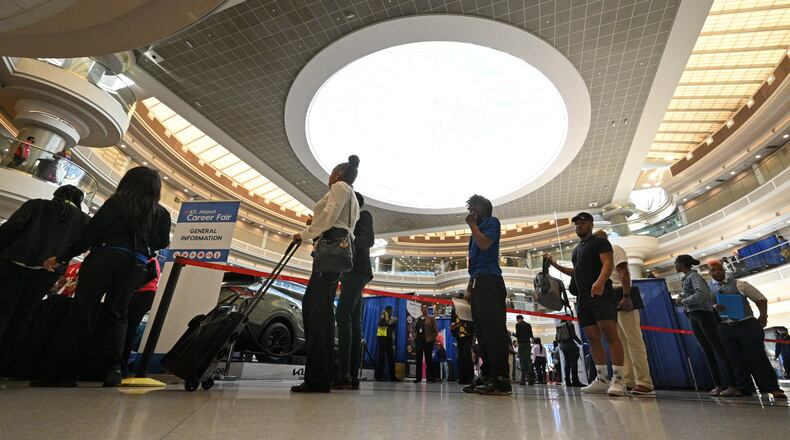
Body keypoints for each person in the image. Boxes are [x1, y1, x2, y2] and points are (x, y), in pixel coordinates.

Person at [36, 167, 171, 387]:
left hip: (104, 257)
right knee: (117, 315)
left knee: (83, 312)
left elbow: (91, 233)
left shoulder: (118, 202)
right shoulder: (161, 213)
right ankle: (112, 370)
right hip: (135, 264)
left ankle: (65, 372)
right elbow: (162, 243)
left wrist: (62, 257)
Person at [0, 185, 89, 372]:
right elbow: (82, 245)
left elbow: (10, 229)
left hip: (15, 263)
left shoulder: (37, 205)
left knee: (3, 310)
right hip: (46, 272)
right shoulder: (83, 221)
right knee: (24, 315)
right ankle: (5, 363)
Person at [291, 155, 361, 393]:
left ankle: (317, 378)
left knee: (317, 310)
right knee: (317, 307)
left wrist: (305, 233)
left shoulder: (340, 188)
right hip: (334, 253)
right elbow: (337, 219)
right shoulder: (350, 194)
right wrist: (316, 225)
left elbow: (331, 217)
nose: (329, 177)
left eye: (332, 172)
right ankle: (324, 373)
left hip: (329, 252)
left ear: (338, 174)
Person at [546, 212, 626, 396]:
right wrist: (555, 265)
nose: (578, 226)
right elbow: (576, 272)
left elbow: (607, 263)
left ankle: (619, 380)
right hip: (583, 299)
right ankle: (601, 379)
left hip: (601, 294)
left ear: (590, 224)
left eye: (582, 223)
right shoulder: (576, 250)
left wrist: (600, 281)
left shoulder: (600, 242)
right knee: (592, 337)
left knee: (610, 334)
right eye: (576, 224)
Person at [708, 260, 785, 399]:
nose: (717, 272)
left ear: (724, 270)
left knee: (757, 357)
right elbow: (706, 308)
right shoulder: (708, 289)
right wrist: (714, 308)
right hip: (725, 328)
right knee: (735, 360)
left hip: (746, 325)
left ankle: (772, 388)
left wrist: (763, 317)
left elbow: (761, 299)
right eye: (713, 270)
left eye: (719, 269)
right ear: (709, 273)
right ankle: (743, 388)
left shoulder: (740, 284)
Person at [594, 230, 654, 396]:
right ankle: (627, 380)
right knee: (619, 340)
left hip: (622, 294)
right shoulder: (599, 257)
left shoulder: (615, 249)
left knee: (634, 339)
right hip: (609, 298)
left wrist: (627, 296)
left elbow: (623, 272)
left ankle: (644, 381)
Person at [462, 194, 512, 396]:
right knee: (481, 332)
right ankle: (487, 375)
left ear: (485, 209)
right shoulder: (473, 234)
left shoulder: (492, 223)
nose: (471, 211)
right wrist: (469, 287)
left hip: (491, 281)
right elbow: (473, 263)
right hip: (478, 283)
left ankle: (501, 379)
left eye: (475, 207)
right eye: (470, 208)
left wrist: (473, 226)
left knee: (494, 330)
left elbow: (485, 245)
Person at [674, 254, 740, 397]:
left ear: (682, 263)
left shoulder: (694, 277)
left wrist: (684, 301)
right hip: (694, 315)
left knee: (718, 348)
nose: (675, 265)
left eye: (676, 263)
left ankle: (733, 385)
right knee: (707, 349)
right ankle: (718, 385)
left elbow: (702, 295)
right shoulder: (687, 278)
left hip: (704, 314)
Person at [334, 192, 374, 390]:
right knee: (355, 323)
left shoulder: (362, 216)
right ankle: (351, 376)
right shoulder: (346, 220)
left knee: (342, 314)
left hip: (357, 270)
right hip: (352, 272)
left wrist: (346, 241)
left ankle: (344, 374)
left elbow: (368, 240)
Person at [121, 257, 161, 377]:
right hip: (145, 294)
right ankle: (120, 365)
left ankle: (120, 365)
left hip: (139, 293)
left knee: (126, 329)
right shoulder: (152, 259)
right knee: (129, 329)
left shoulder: (145, 257)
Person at [414, 303, 438, 383]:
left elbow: (435, 331)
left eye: (425, 308)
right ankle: (418, 378)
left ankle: (431, 378)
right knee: (418, 360)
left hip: (428, 341)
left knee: (428, 359)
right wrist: (415, 338)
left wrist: (432, 340)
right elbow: (415, 330)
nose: (424, 309)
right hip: (419, 341)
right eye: (423, 308)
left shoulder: (431, 318)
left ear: (427, 309)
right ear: (420, 309)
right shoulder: (418, 319)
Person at [556, 321, 584, 387]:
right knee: (574, 364)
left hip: (563, 346)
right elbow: (573, 335)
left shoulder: (558, 326)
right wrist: (580, 342)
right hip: (571, 346)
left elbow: (557, 338)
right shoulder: (569, 324)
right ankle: (575, 381)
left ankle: (567, 381)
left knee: (567, 363)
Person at [450, 308, 473, 384]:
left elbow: (473, 320)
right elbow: (452, 322)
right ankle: (461, 377)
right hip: (459, 334)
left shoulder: (469, 307)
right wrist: (453, 327)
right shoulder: (455, 310)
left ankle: (470, 378)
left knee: (466, 353)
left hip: (468, 334)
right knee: (460, 356)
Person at [375, 305, 397, 382]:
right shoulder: (384, 314)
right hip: (382, 337)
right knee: (381, 357)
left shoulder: (390, 318)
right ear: (388, 310)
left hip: (388, 339)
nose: (392, 313)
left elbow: (392, 329)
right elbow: (380, 323)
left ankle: (393, 377)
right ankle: (379, 376)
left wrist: (393, 323)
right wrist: (389, 323)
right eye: (391, 311)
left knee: (391, 358)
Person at [514, 314, 533, 385]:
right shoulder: (528, 325)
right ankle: (531, 380)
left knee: (522, 361)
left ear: (518, 319)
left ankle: (523, 380)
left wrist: (513, 334)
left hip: (521, 344)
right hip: (528, 344)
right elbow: (531, 335)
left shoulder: (518, 325)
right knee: (528, 361)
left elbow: (518, 335)